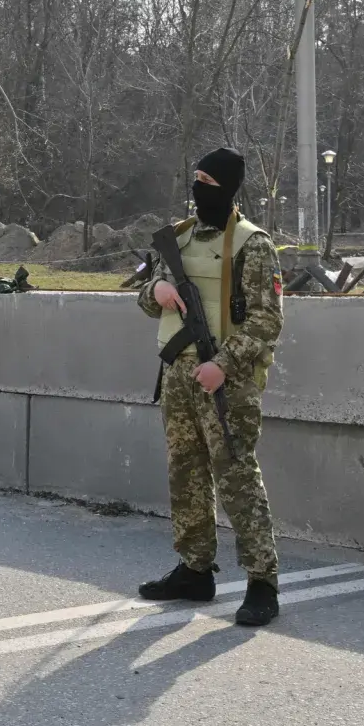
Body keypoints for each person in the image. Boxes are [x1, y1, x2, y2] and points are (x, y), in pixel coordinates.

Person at [136, 147, 283, 626]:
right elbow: (147, 299)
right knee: (186, 473)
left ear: (227, 187)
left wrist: (222, 364)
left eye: (208, 181)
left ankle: (262, 581)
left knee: (237, 476)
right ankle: (194, 569)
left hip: (227, 380)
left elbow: (266, 320)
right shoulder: (178, 238)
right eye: (195, 179)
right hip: (177, 374)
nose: (198, 188)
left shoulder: (252, 244)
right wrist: (155, 290)